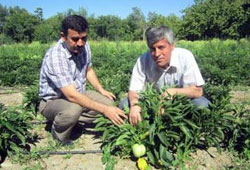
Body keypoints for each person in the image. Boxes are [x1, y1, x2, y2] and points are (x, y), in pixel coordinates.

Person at [39, 15, 127, 145]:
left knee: (109, 104)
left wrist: (101, 89)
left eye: (84, 38)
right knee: (74, 110)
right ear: (63, 37)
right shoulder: (56, 57)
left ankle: (73, 121)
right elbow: (71, 95)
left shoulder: (84, 47)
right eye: (75, 39)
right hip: (53, 101)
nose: (80, 43)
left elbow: (88, 70)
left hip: (78, 94)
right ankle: (59, 134)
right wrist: (104, 110)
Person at [123, 26, 210, 126]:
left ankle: (188, 128)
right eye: (152, 49)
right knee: (125, 104)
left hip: (181, 104)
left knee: (203, 105)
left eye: (161, 47)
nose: (157, 54)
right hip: (153, 104)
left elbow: (197, 91)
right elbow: (134, 89)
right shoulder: (143, 60)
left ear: (172, 46)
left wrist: (172, 92)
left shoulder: (185, 56)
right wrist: (135, 105)